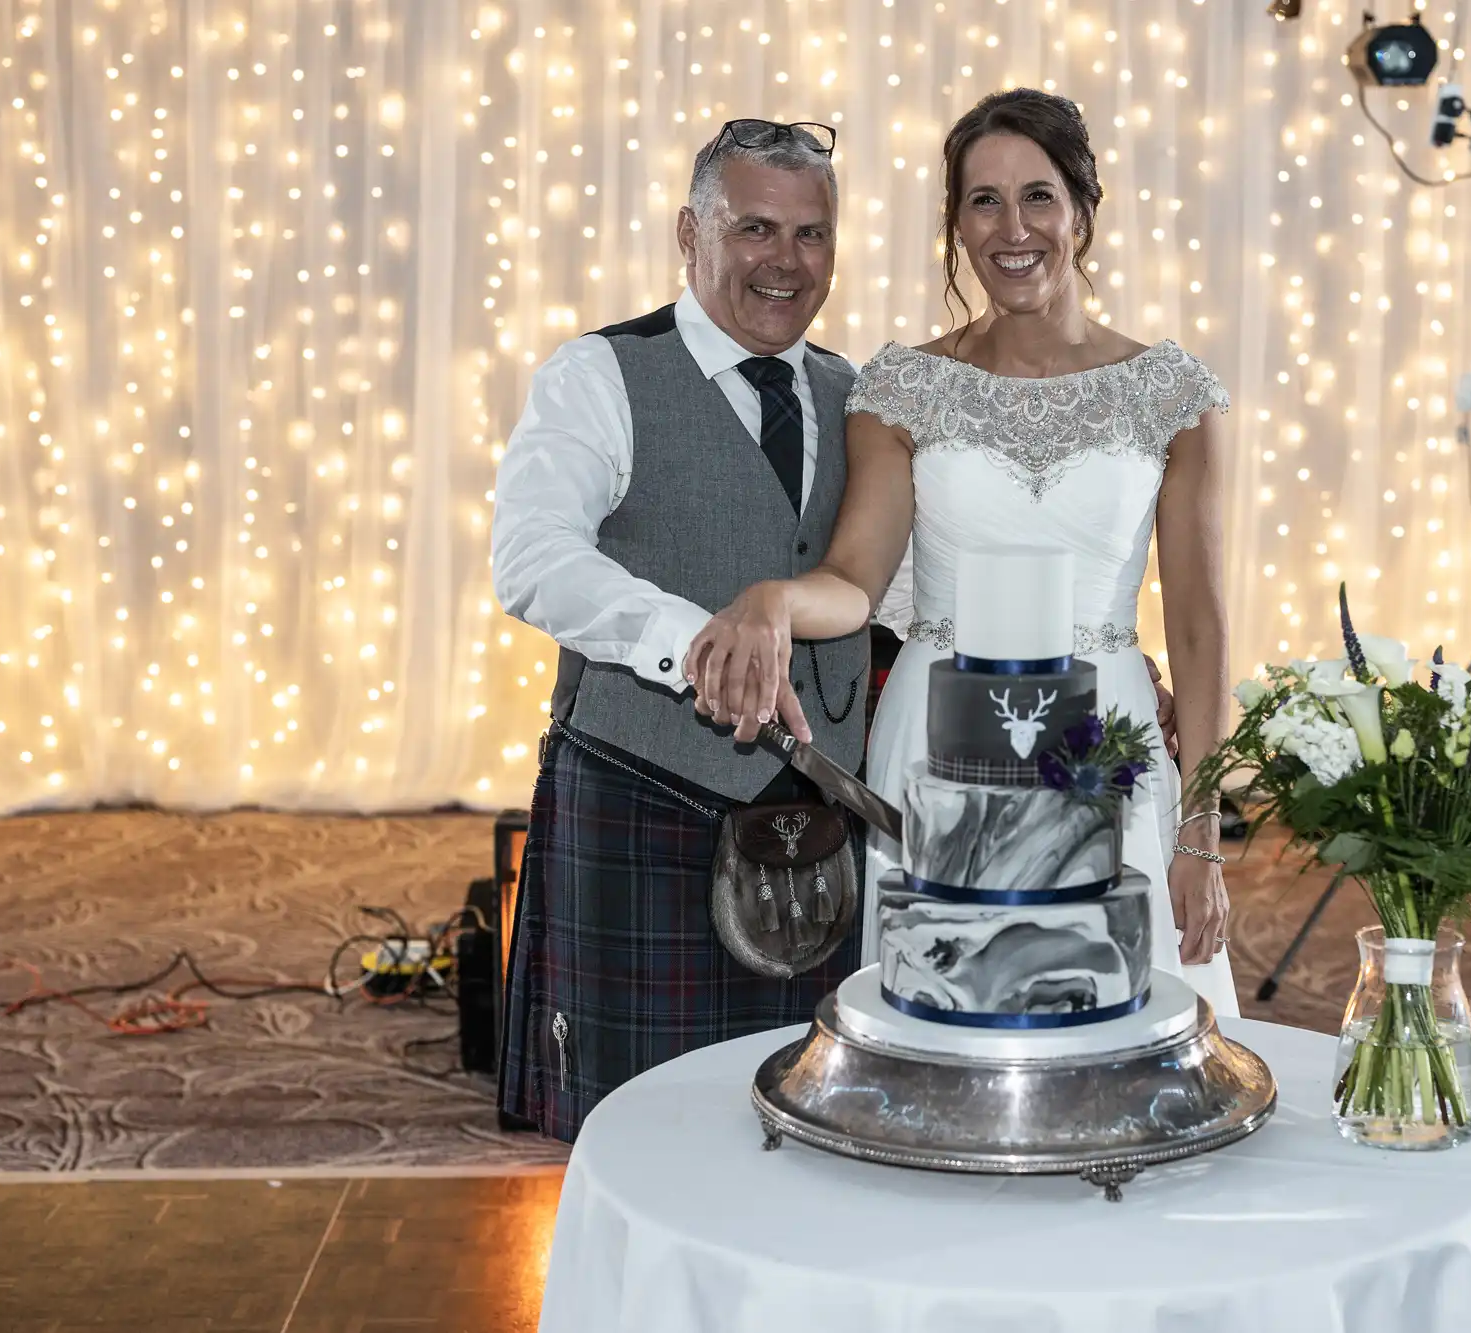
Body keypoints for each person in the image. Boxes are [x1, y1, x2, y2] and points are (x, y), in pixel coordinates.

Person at [686, 89, 1240, 1016]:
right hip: (937, 741)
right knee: (941, 1028)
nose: (1011, 228)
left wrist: (1201, 833)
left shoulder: (1173, 396)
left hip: (1106, 735)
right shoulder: (903, 388)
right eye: (983, 201)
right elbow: (854, 583)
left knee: (1120, 1030)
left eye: (1038, 196)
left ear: (1083, 212)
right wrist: (773, 601)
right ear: (955, 224)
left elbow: (1199, 623)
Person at [488, 119, 869, 1140]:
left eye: (811, 235)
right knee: (638, 1132)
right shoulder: (599, 375)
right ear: (687, 232)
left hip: (819, 822)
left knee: (815, 1121)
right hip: (642, 795)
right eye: (754, 229)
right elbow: (531, 559)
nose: (785, 263)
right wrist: (693, 641)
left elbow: (897, 588)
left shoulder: (856, 394)